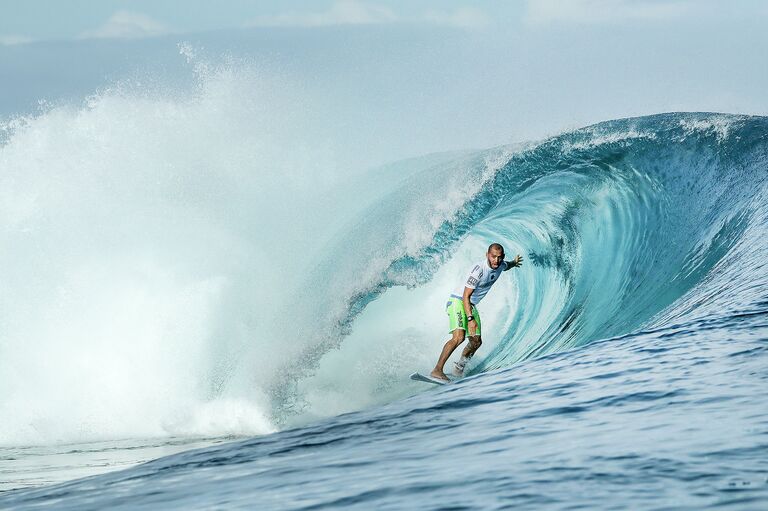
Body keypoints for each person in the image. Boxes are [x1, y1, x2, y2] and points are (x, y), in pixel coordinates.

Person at [431, 243, 523, 382]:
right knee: (459, 337)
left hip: (470, 304)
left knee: (476, 342)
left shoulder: (501, 265)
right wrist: (470, 319)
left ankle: (459, 368)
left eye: (499, 257)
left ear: (503, 257)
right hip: (458, 301)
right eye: (493, 257)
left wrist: (514, 262)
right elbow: (465, 296)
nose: (496, 260)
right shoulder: (478, 271)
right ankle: (437, 370)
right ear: (487, 255)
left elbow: (507, 265)